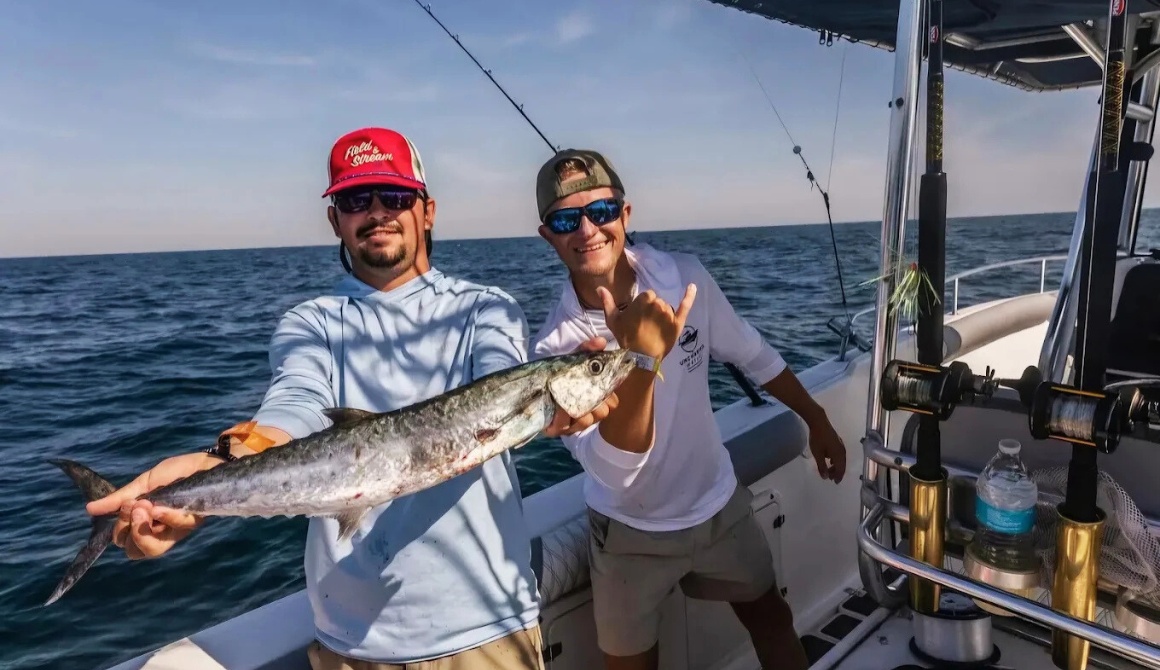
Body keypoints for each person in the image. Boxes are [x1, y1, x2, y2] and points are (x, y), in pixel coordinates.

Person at [85, 127, 620, 670]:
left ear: (427, 210)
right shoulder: (311, 322)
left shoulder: (487, 307)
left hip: (487, 631)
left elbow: (502, 377)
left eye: (395, 196)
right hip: (352, 646)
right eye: (356, 199)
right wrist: (218, 462)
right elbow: (293, 405)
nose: (378, 211)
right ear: (334, 219)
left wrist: (557, 413)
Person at [529, 148, 849, 670]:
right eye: (567, 219)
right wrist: (641, 358)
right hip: (628, 531)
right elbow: (614, 470)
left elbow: (752, 351)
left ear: (625, 216)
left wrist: (817, 419)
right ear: (549, 237)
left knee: (772, 619)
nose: (587, 229)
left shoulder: (684, 278)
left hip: (717, 503)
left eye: (602, 211)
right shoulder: (554, 351)